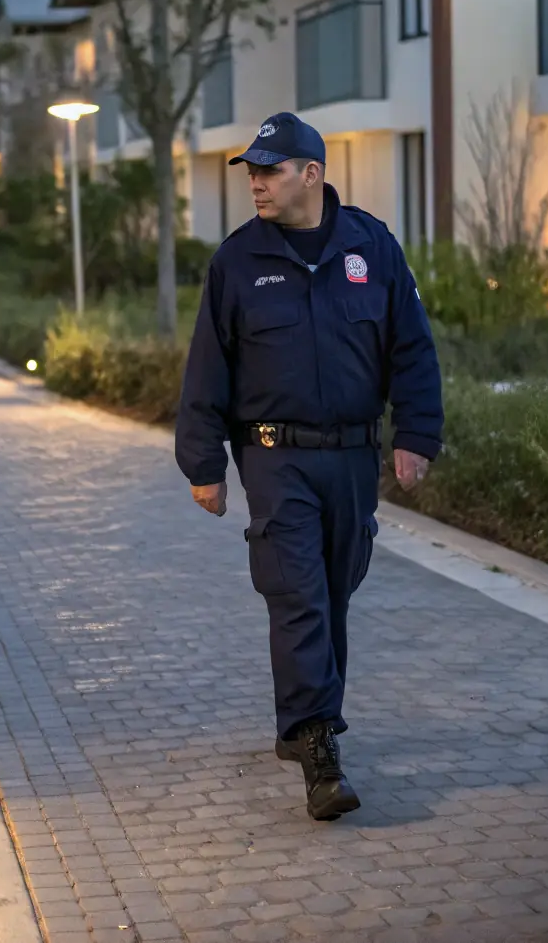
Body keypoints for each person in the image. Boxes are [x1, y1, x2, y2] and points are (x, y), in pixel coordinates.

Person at [176, 111, 443, 821]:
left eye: (270, 170)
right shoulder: (236, 261)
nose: (256, 183)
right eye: (252, 172)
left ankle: (302, 722)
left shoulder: (371, 246)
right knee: (295, 590)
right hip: (273, 454)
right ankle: (320, 747)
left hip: (352, 456)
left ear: (312, 174)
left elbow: (411, 347)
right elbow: (208, 369)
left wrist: (415, 433)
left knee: (331, 590)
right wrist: (203, 462)